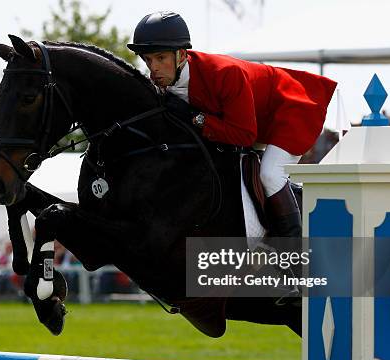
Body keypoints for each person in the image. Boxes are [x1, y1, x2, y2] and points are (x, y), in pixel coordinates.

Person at [127, 11, 337, 237]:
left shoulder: (225, 74)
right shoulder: (164, 82)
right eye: (148, 60)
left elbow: (244, 135)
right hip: (248, 120)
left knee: (270, 174)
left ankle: (293, 248)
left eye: (160, 58)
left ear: (181, 55)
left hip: (290, 109)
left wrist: (196, 118)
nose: (153, 68)